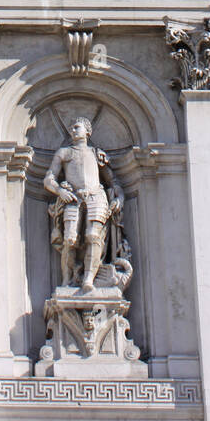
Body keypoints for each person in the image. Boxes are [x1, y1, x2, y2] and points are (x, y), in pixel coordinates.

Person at [43, 116, 124, 290]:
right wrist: (60, 191)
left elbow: (113, 181)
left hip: (96, 197)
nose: (72, 130)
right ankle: (68, 279)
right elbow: (49, 179)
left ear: (88, 131)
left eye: (76, 127)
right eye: (71, 128)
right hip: (73, 198)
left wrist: (120, 198)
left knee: (93, 236)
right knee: (70, 240)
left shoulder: (97, 154)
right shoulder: (64, 153)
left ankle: (88, 279)